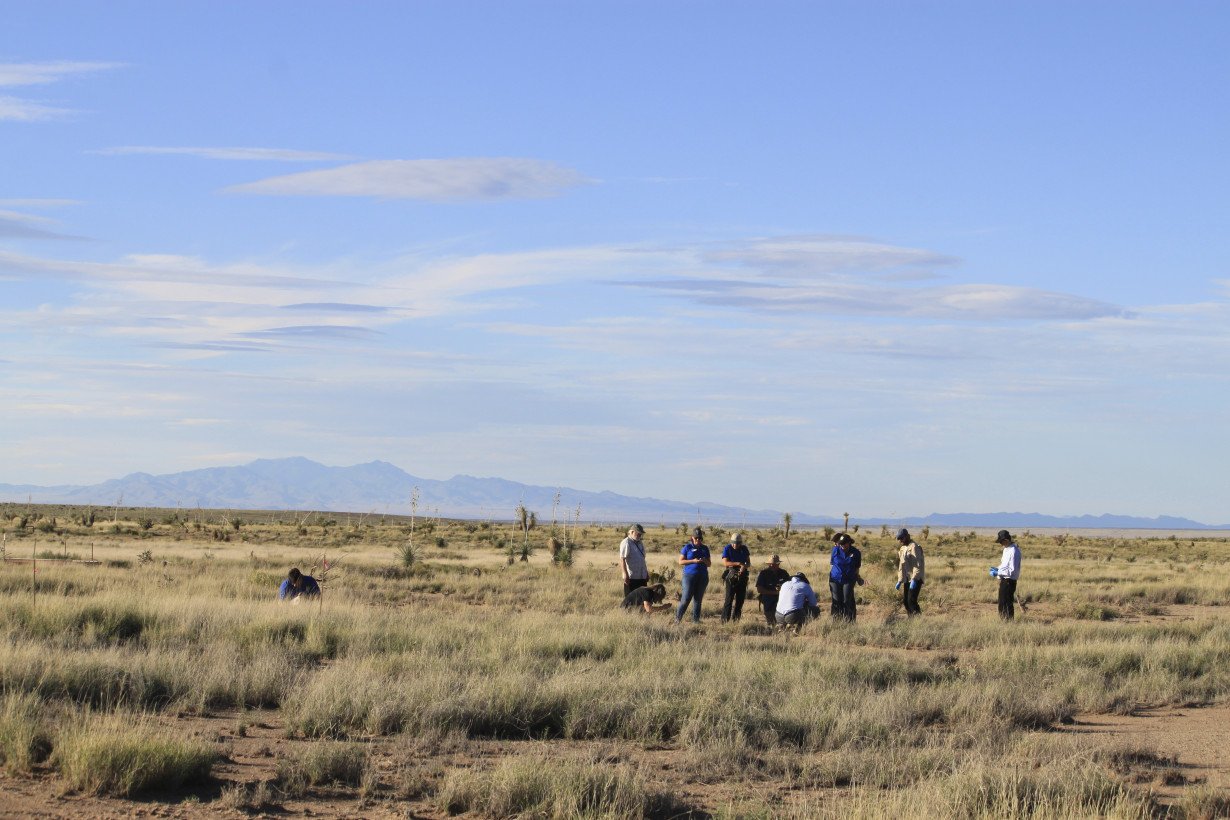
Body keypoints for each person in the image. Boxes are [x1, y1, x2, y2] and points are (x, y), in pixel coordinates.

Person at [675, 527, 712, 623]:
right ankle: (677, 619)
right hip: (689, 576)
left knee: (698, 599)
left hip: (702, 576)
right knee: (686, 598)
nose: (698, 540)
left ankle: (696, 620)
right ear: (692, 538)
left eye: (700, 538)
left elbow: (709, 564)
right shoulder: (687, 547)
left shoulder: (705, 548)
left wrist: (704, 560)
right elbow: (680, 561)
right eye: (696, 538)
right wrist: (693, 561)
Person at [829, 533, 863, 621]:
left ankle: (849, 620)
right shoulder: (835, 550)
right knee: (836, 599)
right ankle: (836, 620)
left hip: (849, 579)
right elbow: (832, 563)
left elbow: (857, 567)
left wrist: (858, 578)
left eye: (844, 543)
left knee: (846, 599)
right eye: (841, 543)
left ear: (849, 542)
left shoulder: (856, 552)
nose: (842, 545)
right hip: (835, 579)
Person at [989, 529, 1022, 619]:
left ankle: (1008, 622)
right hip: (1004, 580)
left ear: (1006, 540)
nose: (1001, 544)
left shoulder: (1014, 551)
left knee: (1006, 603)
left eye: (1001, 541)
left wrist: (998, 572)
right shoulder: (1006, 550)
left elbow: (1011, 570)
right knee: (1002, 602)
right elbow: (1004, 565)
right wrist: (997, 568)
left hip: (1009, 581)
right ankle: (1003, 621)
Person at [720, 532, 752, 622]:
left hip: (742, 576)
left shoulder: (744, 549)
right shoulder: (727, 548)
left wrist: (744, 566)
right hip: (731, 575)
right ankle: (724, 620)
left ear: (740, 543)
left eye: (737, 543)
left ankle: (736, 620)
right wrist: (738, 563)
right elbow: (725, 563)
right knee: (729, 599)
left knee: (740, 600)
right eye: (733, 543)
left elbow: (748, 563)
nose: (735, 545)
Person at [895, 528, 925, 617]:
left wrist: (915, 579)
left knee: (911, 600)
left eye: (902, 538)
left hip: (916, 579)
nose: (900, 540)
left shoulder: (914, 547)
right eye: (899, 539)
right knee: (906, 601)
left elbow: (918, 565)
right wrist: (900, 580)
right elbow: (901, 565)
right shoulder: (903, 548)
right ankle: (911, 618)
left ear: (907, 536)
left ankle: (918, 620)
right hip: (907, 579)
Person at [754, 554, 791, 627]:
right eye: (771, 564)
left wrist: (782, 591)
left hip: (783, 601)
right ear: (768, 564)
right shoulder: (763, 573)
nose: (773, 565)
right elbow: (759, 589)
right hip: (768, 601)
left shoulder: (784, 573)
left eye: (775, 564)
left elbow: (790, 586)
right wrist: (775, 593)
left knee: (783, 623)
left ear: (779, 564)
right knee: (771, 623)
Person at [619, 524, 649, 597]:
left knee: (642, 599)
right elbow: (622, 559)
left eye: (641, 534)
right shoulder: (626, 543)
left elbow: (642, 559)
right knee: (631, 600)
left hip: (642, 576)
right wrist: (625, 574)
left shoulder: (640, 543)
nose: (640, 535)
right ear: (632, 532)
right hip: (632, 577)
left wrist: (646, 573)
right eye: (638, 533)